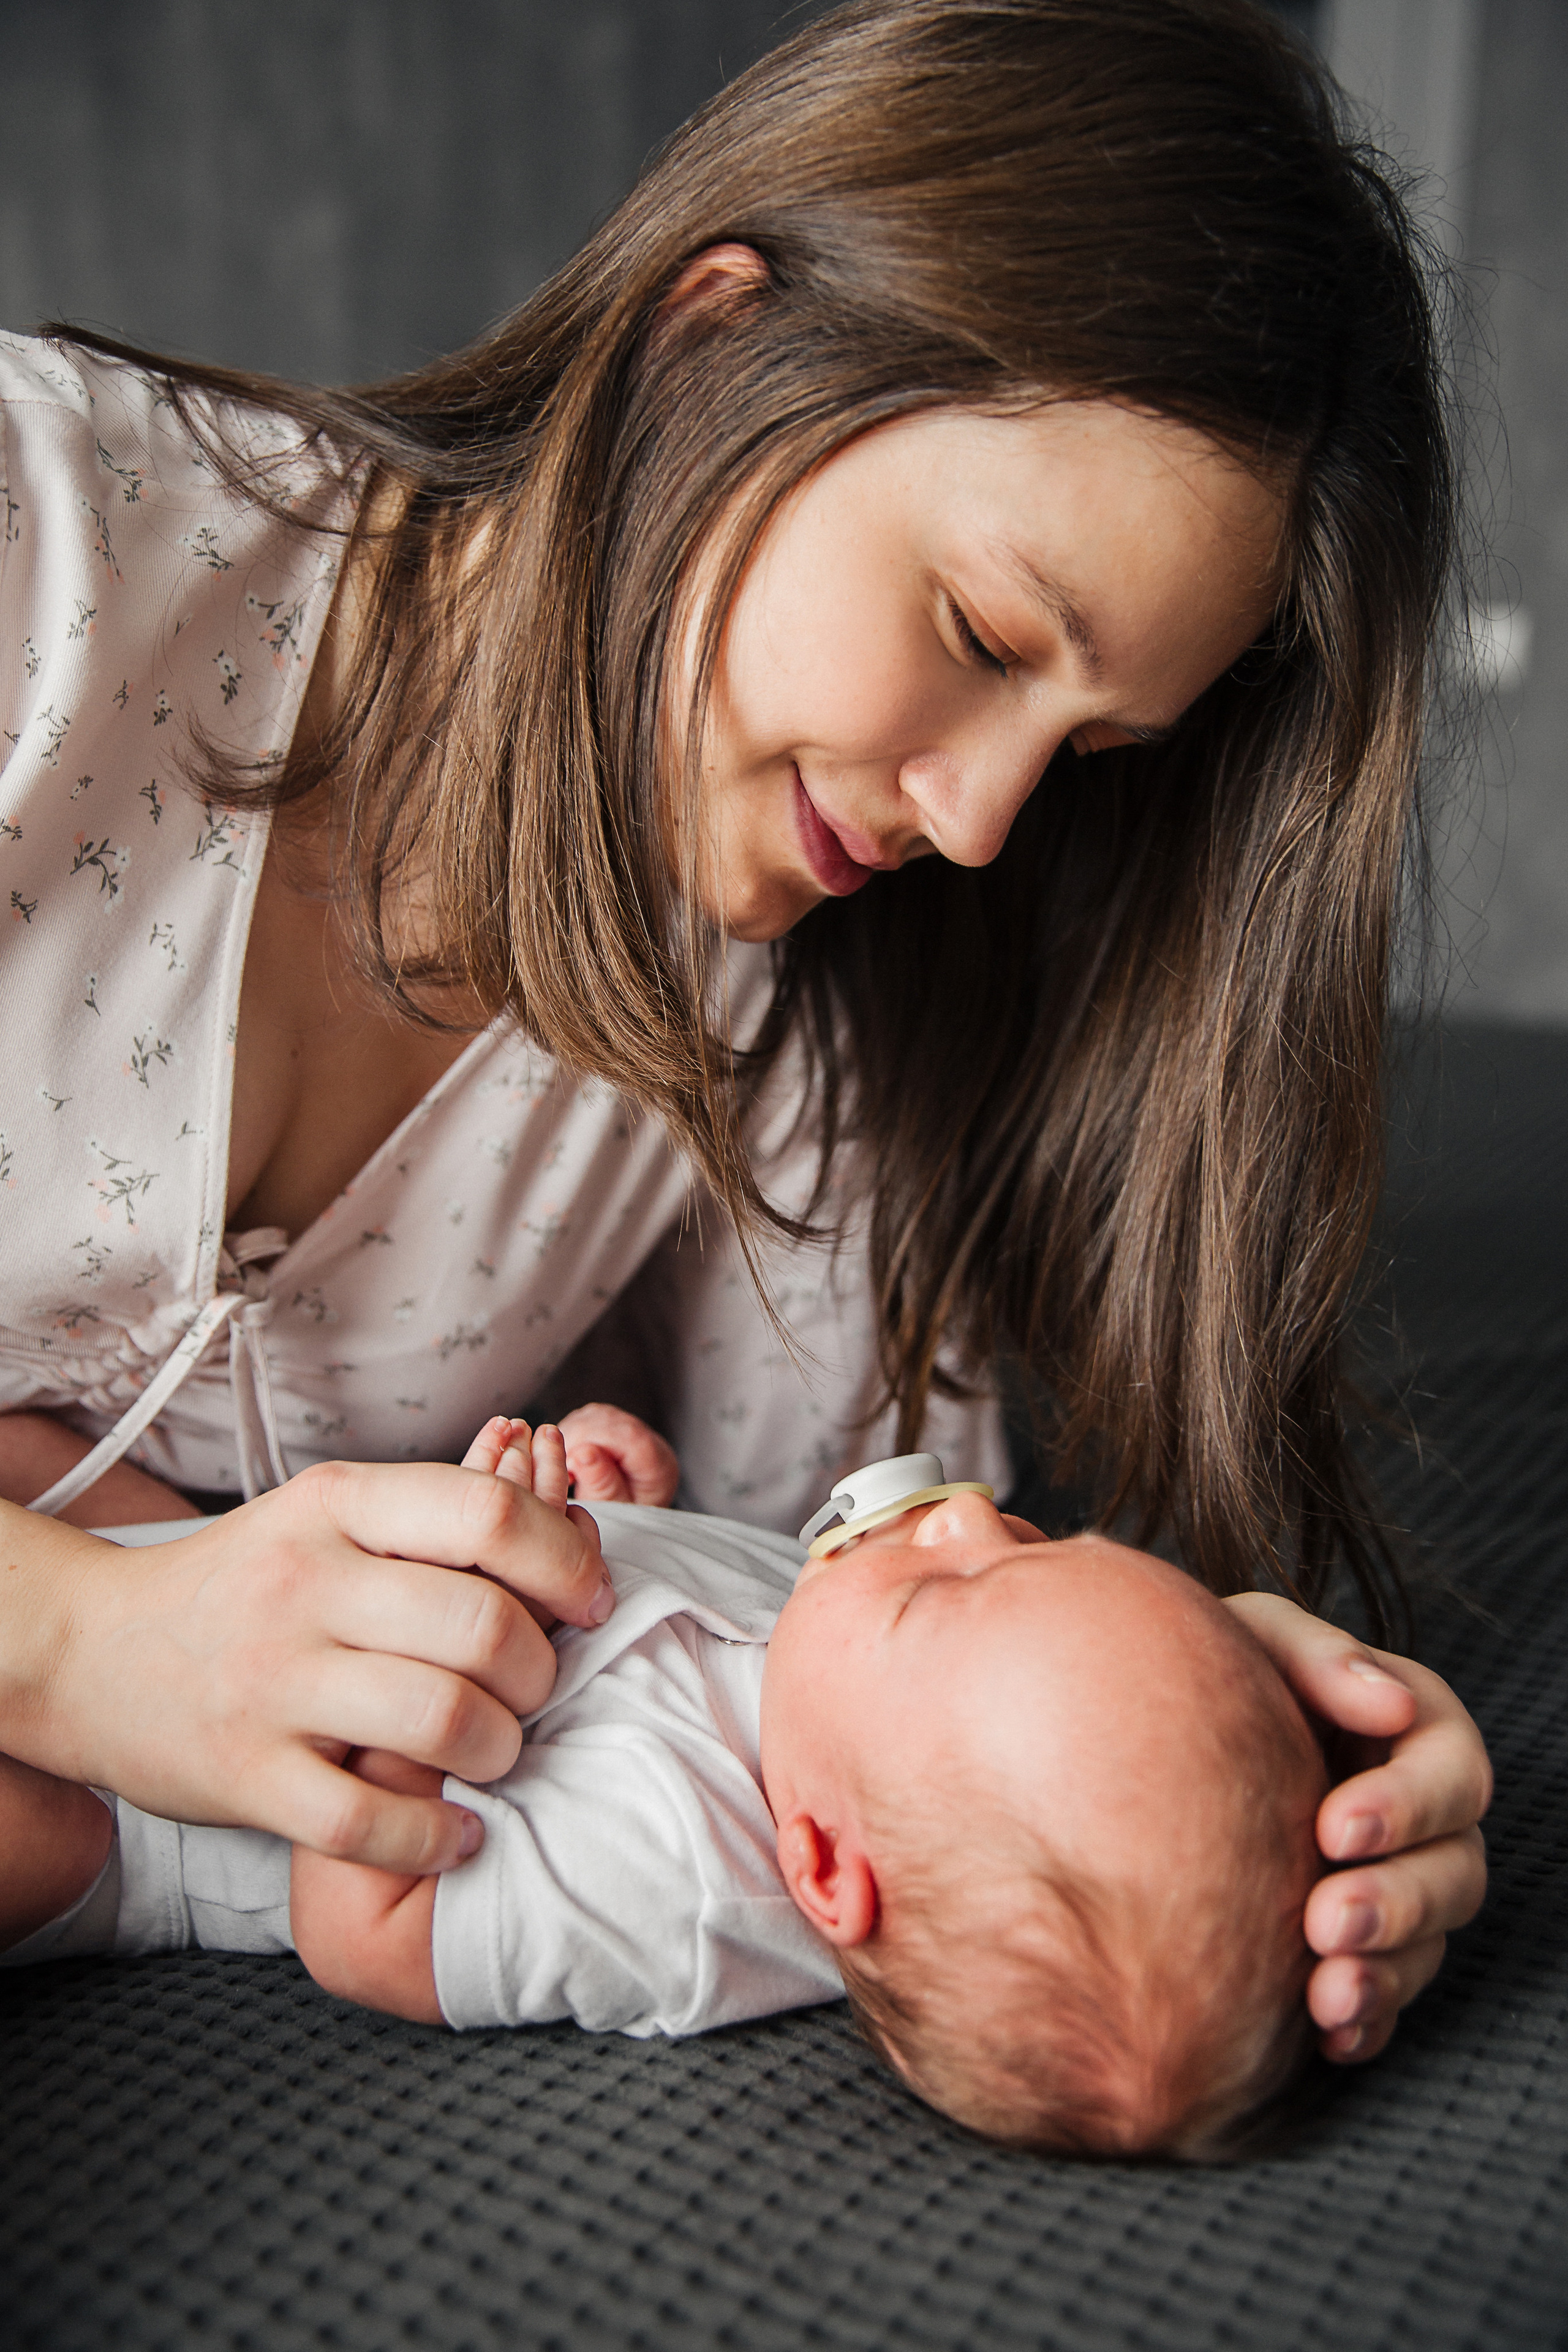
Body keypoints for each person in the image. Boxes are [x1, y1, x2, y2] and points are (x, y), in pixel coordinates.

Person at [0, 0, 1489, 2071]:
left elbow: (829, 1652)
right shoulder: (39, 544)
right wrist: (72, 1642)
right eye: (978, 635)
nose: (977, 822)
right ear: (717, 335)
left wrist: (1229, 1783)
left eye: (1087, 755)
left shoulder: (793, 1039)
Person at [2, 1415, 1366, 2159]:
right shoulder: (837, 1667)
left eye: (947, 1591)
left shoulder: (684, 1884)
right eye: (1032, 1538)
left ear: (823, 1869)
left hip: (158, 1826)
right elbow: (672, 1588)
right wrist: (619, 1496)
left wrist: (444, 1636)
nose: (958, 1513)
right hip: (220, 1583)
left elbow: (360, 1938)